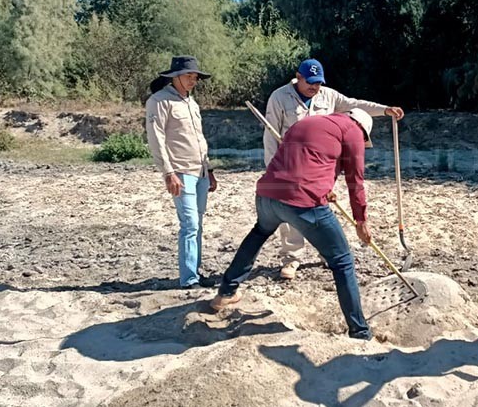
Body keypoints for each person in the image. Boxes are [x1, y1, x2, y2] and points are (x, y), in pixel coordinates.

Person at [210, 109, 378, 340]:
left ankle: (226, 292)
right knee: (342, 261)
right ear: (363, 130)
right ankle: (360, 332)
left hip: (268, 194)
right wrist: (361, 220)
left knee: (259, 232)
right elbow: (356, 181)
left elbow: (309, 160)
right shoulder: (353, 132)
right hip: (303, 202)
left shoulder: (310, 122)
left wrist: (325, 187)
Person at [262, 58, 404, 280]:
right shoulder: (279, 97)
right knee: (292, 212)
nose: (314, 87)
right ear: (298, 77)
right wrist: (272, 169)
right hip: (288, 164)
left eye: (318, 82)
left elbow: (355, 105)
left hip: (320, 166)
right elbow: (270, 136)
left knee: (320, 209)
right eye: (310, 82)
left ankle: (326, 252)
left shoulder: (329, 95)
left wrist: (385, 110)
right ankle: (291, 258)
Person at [145, 55, 218, 289]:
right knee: (190, 224)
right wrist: (168, 172)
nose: (193, 80)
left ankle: (194, 272)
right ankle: (189, 280)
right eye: (189, 76)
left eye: (195, 76)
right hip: (180, 172)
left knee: (198, 223)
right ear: (175, 76)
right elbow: (156, 139)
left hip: (201, 173)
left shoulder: (191, 103)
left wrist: (210, 170)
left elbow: (200, 139)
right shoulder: (159, 101)